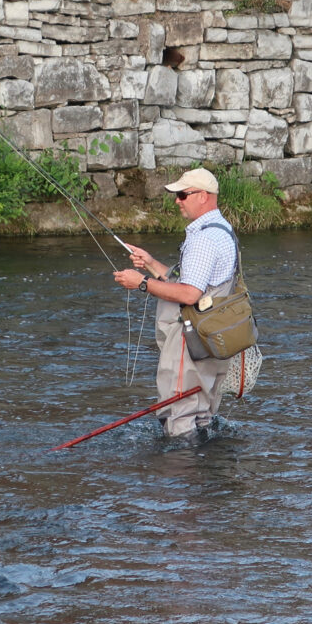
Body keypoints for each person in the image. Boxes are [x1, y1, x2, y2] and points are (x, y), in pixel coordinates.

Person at [113, 167, 239, 438]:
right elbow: (197, 281)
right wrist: (151, 264)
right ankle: (206, 472)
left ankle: (181, 475)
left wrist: (141, 283)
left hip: (193, 340)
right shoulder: (223, 229)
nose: (177, 201)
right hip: (217, 337)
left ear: (203, 196)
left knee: (179, 415)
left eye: (183, 195)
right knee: (203, 413)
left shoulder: (203, 239)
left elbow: (190, 294)